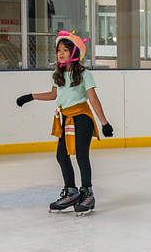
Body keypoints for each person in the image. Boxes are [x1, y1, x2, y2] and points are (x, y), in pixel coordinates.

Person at [15, 31, 113, 214]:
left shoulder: (84, 74)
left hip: (82, 117)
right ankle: (71, 191)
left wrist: (104, 123)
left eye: (65, 50)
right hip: (65, 118)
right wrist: (31, 96)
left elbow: (93, 99)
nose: (60, 53)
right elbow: (54, 95)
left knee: (81, 155)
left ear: (74, 53)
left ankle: (87, 193)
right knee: (61, 156)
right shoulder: (57, 73)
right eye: (59, 50)